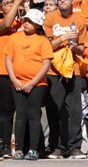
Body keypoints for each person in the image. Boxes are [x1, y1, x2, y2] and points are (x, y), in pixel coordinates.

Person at [44, 0, 87, 159]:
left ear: (72, 0)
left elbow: (83, 49)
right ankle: (57, 147)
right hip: (54, 71)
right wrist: (62, 38)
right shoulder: (49, 18)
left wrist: (75, 46)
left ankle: (74, 147)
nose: (62, 0)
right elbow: (46, 46)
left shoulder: (80, 19)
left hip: (73, 70)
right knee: (54, 110)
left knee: (74, 111)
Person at [5, 9, 53, 161]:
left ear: (38, 25)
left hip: (37, 84)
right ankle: (18, 149)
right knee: (20, 115)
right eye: (25, 20)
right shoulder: (14, 38)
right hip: (18, 83)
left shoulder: (43, 41)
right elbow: (8, 59)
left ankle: (33, 149)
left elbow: (46, 64)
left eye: (30, 21)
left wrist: (32, 83)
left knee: (33, 115)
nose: (26, 23)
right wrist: (14, 79)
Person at [0, 0, 25, 158]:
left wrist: (25, 7)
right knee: (5, 112)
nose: (11, 5)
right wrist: (17, 2)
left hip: (23, 73)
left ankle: (26, 147)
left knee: (23, 112)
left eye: (13, 3)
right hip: (3, 73)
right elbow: (7, 23)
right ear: (1, 8)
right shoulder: (3, 22)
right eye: (7, 3)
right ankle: (5, 147)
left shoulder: (25, 23)